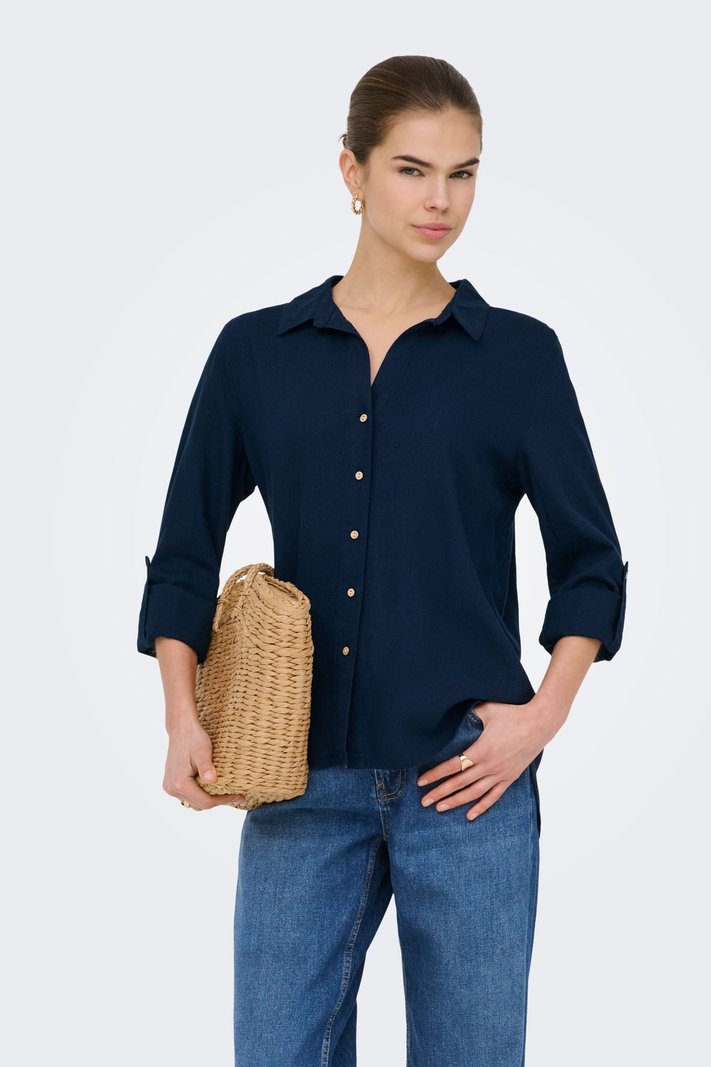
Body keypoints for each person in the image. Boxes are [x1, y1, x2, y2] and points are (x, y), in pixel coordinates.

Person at [136, 55, 629, 1067]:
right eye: (411, 169)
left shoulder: (517, 358)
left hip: (471, 782)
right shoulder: (255, 353)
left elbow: (592, 562)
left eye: (463, 172)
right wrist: (183, 715)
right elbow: (184, 551)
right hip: (298, 781)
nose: (440, 200)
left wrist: (540, 718)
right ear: (351, 171)